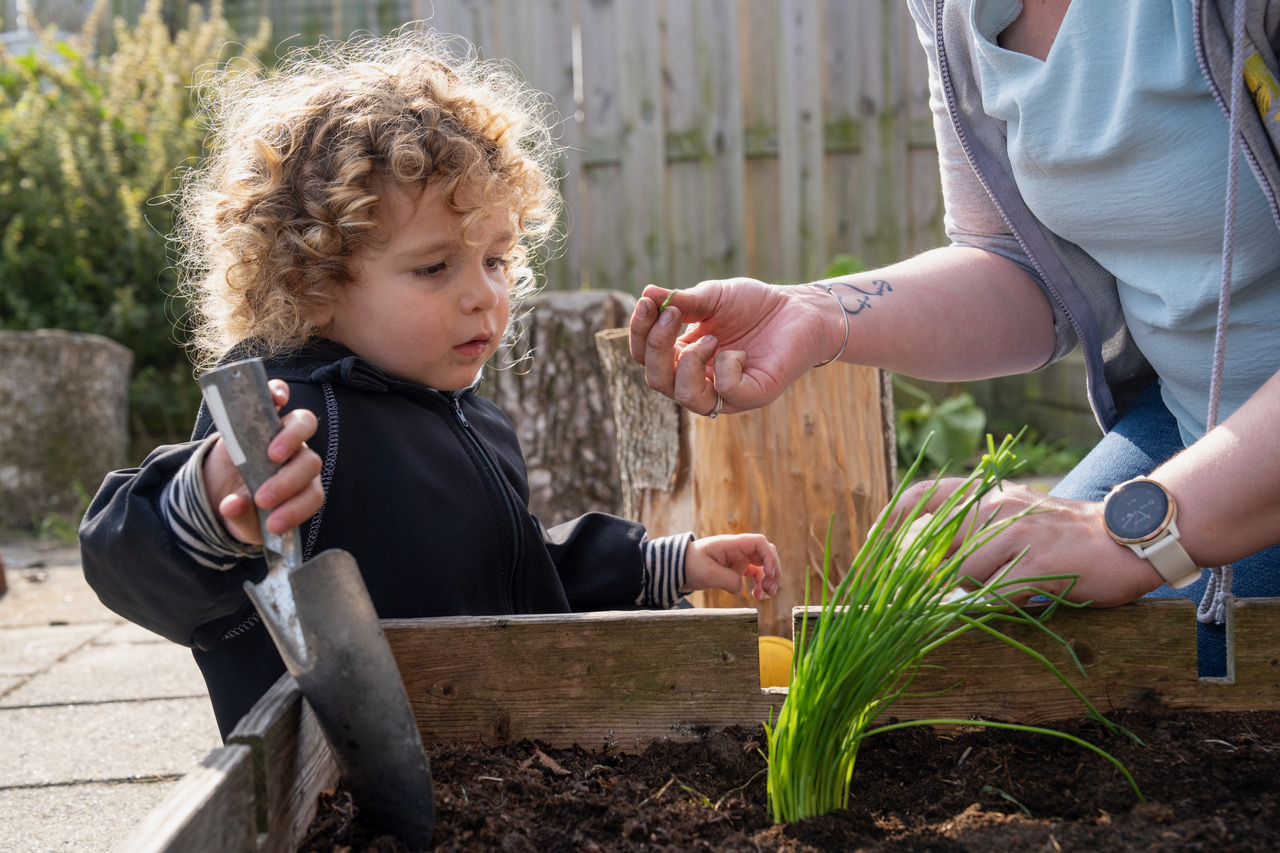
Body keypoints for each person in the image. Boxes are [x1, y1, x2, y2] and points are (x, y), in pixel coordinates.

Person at [79, 30, 780, 739]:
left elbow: (515, 578)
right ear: (312, 284)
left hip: (503, 763)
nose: (483, 296)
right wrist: (208, 506)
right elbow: (134, 563)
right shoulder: (294, 422)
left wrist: (660, 562)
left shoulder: (470, 416)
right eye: (434, 267)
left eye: (497, 260)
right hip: (351, 791)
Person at [628, 0, 1280, 678]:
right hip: (1186, 416)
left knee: (1161, 693)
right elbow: (1021, 266)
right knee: (993, 662)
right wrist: (816, 313)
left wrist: (1129, 535)